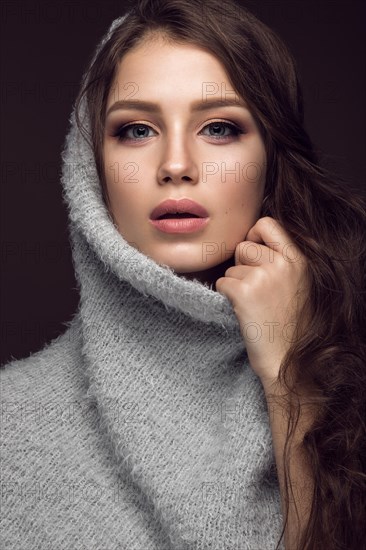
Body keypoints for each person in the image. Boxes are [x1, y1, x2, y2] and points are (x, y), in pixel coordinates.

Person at [1, 1, 365, 549]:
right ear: (88, 166)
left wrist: (290, 376)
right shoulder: (14, 425)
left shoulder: (354, 374)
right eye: (137, 130)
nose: (176, 164)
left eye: (219, 127)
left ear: (272, 158)